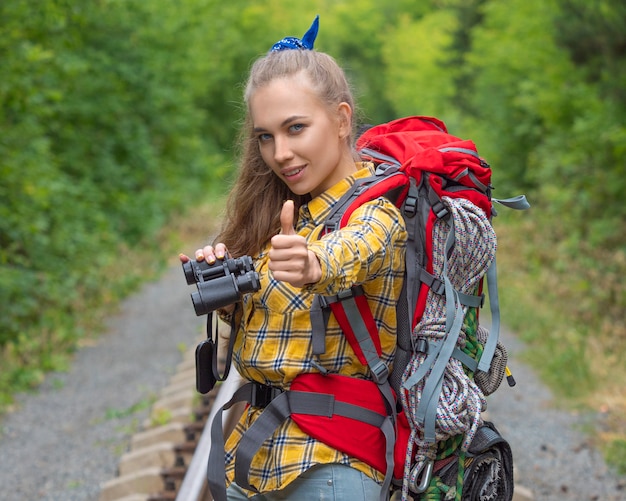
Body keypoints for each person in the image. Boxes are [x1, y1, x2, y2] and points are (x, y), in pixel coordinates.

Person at [180, 16, 407, 501]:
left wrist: (312, 265)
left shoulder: (376, 215)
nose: (280, 153)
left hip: (331, 463)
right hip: (256, 459)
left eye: (296, 128)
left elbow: (350, 254)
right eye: (265, 136)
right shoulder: (281, 217)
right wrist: (225, 283)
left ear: (343, 119)